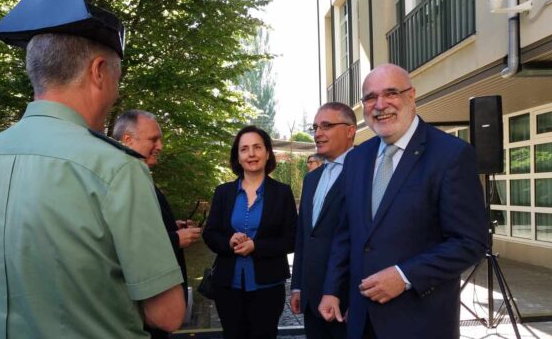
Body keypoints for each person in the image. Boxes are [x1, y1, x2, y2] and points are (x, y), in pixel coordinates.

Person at [0, 0, 185, 338]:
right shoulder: (117, 169)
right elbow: (167, 315)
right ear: (98, 71)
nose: (116, 90)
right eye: (117, 77)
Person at [318, 64, 487, 339]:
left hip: (420, 321)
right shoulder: (357, 159)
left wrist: (404, 276)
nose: (380, 104)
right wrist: (332, 290)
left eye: (391, 93)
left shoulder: (452, 155)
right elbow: (346, 234)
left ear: (412, 96)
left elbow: (471, 242)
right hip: (361, 321)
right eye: (370, 97)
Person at [112, 109, 202, 339]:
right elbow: (125, 244)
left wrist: (173, 225)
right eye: (153, 139)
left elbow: (141, 227)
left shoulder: (138, 175)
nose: (160, 146)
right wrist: (176, 239)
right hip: (142, 315)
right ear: (128, 140)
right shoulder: (120, 179)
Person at [202, 125, 297, 339]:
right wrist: (228, 241)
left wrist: (257, 246)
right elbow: (210, 233)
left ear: (267, 152)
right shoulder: (223, 192)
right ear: (238, 156)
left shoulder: (282, 193)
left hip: (269, 286)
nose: (251, 154)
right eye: (244, 149)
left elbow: (292, 240)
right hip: (227, 286)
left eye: (257, 147)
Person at [290, 102, 356, 338]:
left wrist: (355, 300)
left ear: (350, 131)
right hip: (311, 299)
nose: (318, 133)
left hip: (347, 301)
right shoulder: (312, 179)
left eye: (326, 126)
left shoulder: (366, 172)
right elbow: (304, 237)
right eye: (315, 127)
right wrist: (297, 285)